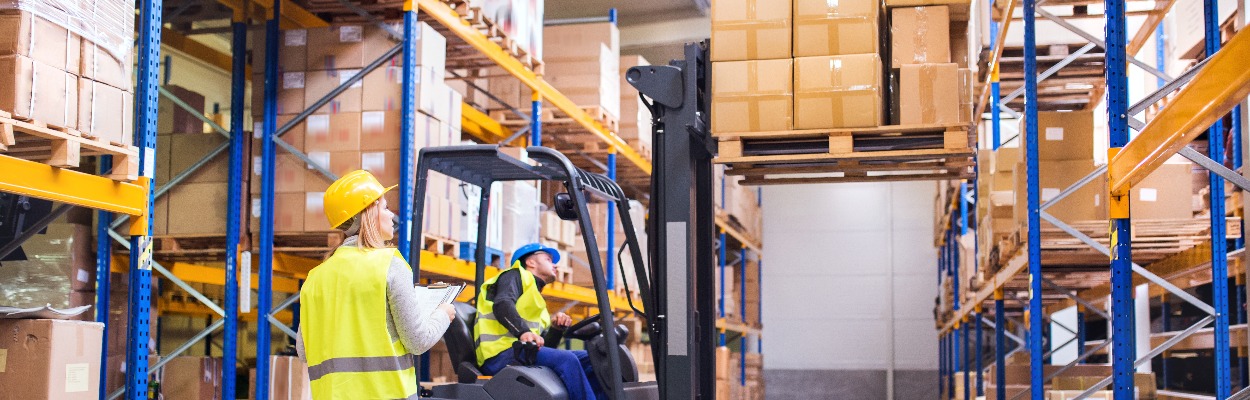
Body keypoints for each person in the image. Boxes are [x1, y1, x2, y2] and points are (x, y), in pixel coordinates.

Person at [295, 170, 456, 399]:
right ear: (368, 213)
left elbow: (304, 352)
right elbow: (417, 340)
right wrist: (442, 314)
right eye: (385, 207)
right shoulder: (389, 265)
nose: (392, 215)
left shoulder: (315, 278)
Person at [474, 243, 605, 400]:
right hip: (499, 355)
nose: (555, 264)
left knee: (592, 358)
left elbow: (545, 349)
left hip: (520, 352)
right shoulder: (513, 276)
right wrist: (524, 332)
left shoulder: (536, 299)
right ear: (531, 262)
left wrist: (556, 329)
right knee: (567, 360)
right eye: (548, 259)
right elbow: (502, 304)